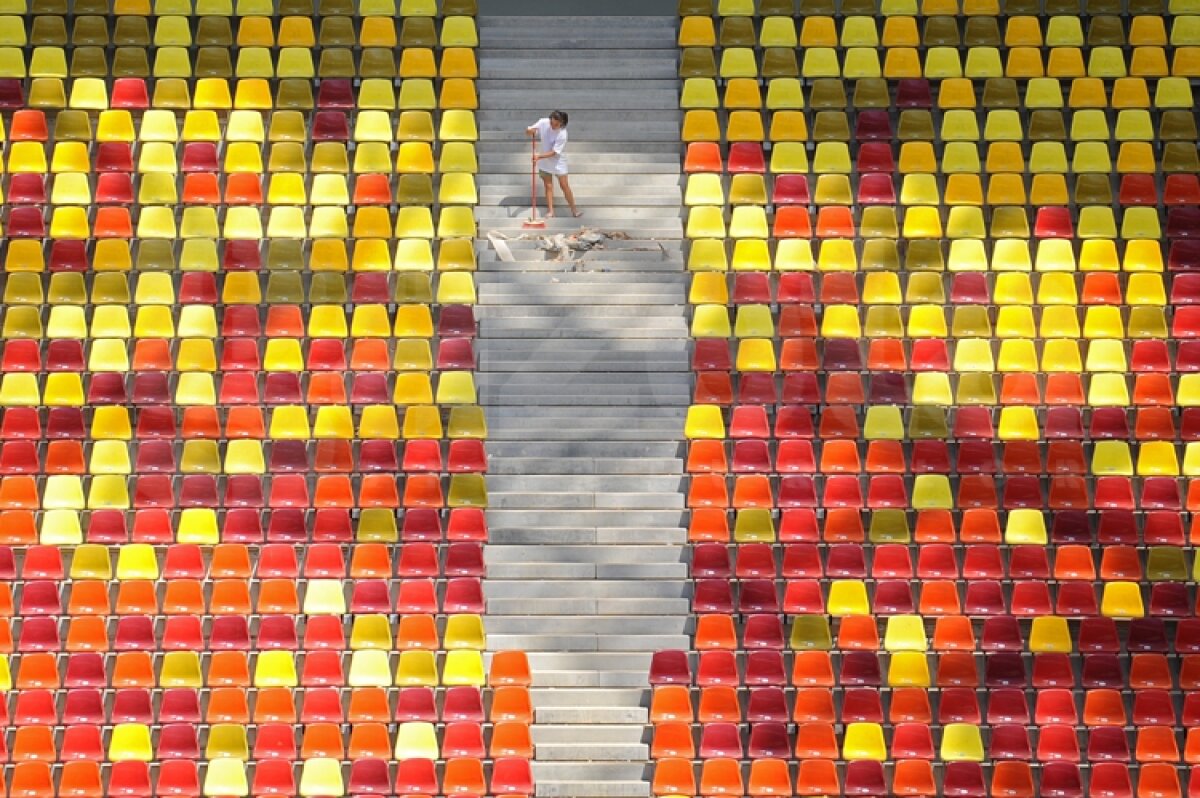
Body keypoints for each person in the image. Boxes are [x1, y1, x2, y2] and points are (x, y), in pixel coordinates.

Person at [526, 110, 581, 218]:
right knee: (548, 186)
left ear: (562, 123)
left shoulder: (562, 134)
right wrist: (529, 131)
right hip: (544, 162)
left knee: (564, 185)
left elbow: (554, 152)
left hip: (558, 162)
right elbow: (531, 131)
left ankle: (574, 209)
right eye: (552, 123)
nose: (553, 126)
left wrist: (538, 156)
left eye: (556, 124)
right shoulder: (543, 122)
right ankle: (551, 211)